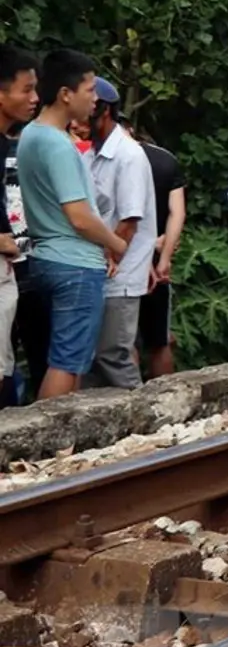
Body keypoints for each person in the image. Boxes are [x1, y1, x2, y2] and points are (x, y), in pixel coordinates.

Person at [17, 52, 127, 400]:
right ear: (66, 93)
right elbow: (79, 216)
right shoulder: (57, 144)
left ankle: (63, 444)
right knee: (67, 362)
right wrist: (116, 243)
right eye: (90, 89)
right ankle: (46, 446)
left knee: (67, 358)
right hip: (75, 265)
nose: (95, 99)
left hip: (47, 259)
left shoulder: (31, 135)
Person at [84, 78, 157, 390]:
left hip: (120, 271)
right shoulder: (90, 155)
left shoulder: (128, 155)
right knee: (92, 358)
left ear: (104, 112)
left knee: (113, 353)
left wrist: (112, 255)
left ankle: (144, 417)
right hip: (100, 267)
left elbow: (129, 219)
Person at [0, 47, 38, 406]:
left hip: (13, 271)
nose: (34, 98)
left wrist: (22, 247)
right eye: (26, 89)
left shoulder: (11, 146)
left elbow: (15, 213)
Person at [133, 131, 184, 379]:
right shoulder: (165, 160)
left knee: (123, 343)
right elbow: (178, 213)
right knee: (159, 340)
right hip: (155, 258)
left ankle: (127, 402)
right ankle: (166, 399)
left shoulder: (103, 156)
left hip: (121, 258)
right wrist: (163, 258)